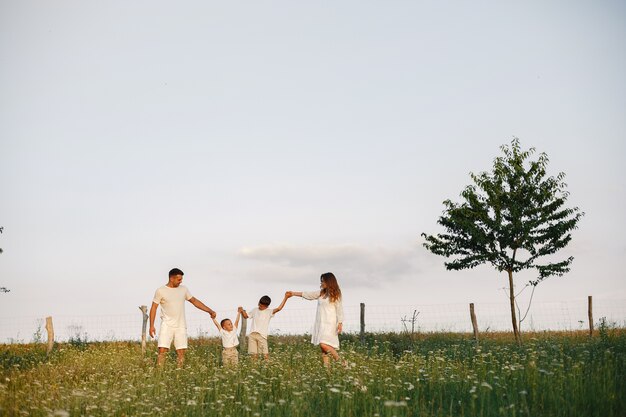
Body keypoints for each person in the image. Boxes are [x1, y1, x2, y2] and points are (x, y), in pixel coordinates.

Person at [149, 268, 217, 367]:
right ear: (171, 278)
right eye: (179, 279)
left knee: (181, 351)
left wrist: (209, 310)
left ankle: (179, 372)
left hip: (181, 325)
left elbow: (194, 301)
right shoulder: (160, 291)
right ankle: (159, 372)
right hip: (166, 325)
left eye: (181, 279)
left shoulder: (183, 289)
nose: (181, 281)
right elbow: (154, 307)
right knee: (162, 350)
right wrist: (151, 326)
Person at [287, 272, 345, 368]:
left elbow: (339, 309)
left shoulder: (335, 294)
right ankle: (327, 371)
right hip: (321, 323)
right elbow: (308, 295)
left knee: (324, 344)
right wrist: (293, 293)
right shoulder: (321, 293)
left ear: (329, 281)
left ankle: (341, 362)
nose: (321, 283)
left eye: (323, 281)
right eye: (321, 281)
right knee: (323, 350)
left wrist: (340, 323)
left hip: (330, 324)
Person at [240, 293, 289, 360]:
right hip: (252, 335)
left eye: (262, 306)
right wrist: (242, 310)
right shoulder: (255, 310)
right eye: (259, 304)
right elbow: (245, 316)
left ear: (267, 306)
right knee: (253, 356)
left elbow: (279, 308)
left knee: (265, 356)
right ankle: (254, 368)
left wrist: (286, 298)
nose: (260, 306)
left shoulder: (269, 312)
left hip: (261, 336)